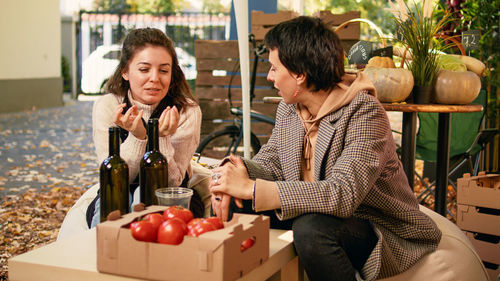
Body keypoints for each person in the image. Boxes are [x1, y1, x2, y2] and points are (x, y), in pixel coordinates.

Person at [209, 16, 441, 281]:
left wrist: (250, 188)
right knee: (238, 206)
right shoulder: (289, 107)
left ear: (299, 74)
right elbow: (272, 162)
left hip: (373, 223)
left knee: (312, 229)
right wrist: (232, 172)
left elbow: (342, 193)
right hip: (314, 209)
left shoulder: (365, 113)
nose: (269, 76)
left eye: (274, 68)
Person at [58, 28, 205, 239]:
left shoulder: (186, 111)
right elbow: (113, 176)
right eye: (144, 69)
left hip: (171, 197)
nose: (154, 78)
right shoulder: (108, 105)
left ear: (172, 74)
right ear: (125, 71)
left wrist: (161, 138)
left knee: (142, 201)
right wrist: (138, 138)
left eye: (164, 70)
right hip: (116, 195)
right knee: (114, 220)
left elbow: (172, 181)